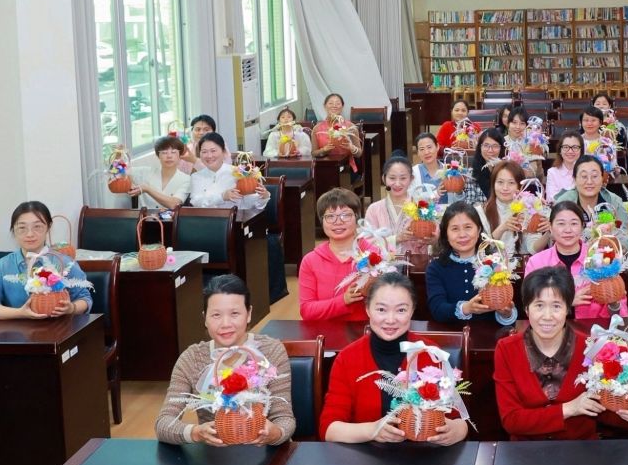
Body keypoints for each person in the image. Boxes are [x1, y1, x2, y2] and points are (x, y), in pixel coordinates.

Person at [494, 267, 628, 439]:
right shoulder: (507, 349)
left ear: (567, 309)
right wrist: (569, 409)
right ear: (527, 309)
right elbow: (511, 420)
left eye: (556, 306)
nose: (547, 316)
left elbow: (606, 408)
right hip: (526, 450)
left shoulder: (592, 347)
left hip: (580, 448)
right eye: (539, 305)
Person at [320, 274, 469, 445]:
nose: (390, 320)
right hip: (365, 457)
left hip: (423, 455)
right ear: (367, 309)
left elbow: (459, 420)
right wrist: (372, 430)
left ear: (412, 311)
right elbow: (328, 429)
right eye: (381, 310)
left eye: (401, 310)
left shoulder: (430, 352)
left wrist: (457, 430)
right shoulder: (348, 358)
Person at [154, 274, 296, 445]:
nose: (225, 324)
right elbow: (163, 424)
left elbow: (285, 418)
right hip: (214, 455)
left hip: (264, 451)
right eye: (216, 315)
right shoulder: (192, 358)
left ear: (249, 314)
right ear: (205, 318)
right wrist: (196, 433)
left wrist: (275, 433)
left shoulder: (271, 351)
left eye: (235, 313)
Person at [0, 202, 93, 320]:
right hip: (17, 330)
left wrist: (71, 308)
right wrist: (19, 313)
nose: (30, 234)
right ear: (13, 230)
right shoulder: (3, 265)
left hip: (59, 328)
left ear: (48, 227)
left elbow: (85, 299)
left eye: (37, 227)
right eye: (22, 228)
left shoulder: (65, 262)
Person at [424, 201, 518, 324]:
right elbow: (437, 309)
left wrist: (506, 313)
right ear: (446, 234)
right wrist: (466, 308)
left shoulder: (496, 263)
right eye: (455, 229)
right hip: (451, 334)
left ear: (479, 230)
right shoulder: (436, 268)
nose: (462, 235)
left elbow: (507, 304)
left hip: (490, 334)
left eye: (468, 227)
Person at [298, 188, 371, 321]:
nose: (338, 222)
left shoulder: (373, 255)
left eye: (346, 215)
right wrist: (343, 301)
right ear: (322, 221)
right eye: (330, 216)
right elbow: (306, 310)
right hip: (324, 331)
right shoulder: (310, 260)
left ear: (357, 218)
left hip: (366, 329)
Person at [185, 132, 269, 223]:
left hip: (233, 224)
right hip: (204, 223)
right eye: (204, 152)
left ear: (223, 152)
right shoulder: (196, 176)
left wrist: (263, 197)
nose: (209, 156)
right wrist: (221, 197)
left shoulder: (238, 173)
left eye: (213, 151)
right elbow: (196, 203)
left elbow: (249, 205)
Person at [478, 160, 547, 257]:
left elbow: (533, 249)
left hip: (521, 263)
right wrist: (503, 228)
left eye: (511, 183)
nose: (505, 188)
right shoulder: (481, 211)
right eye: (500, 182)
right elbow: (482, 249)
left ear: (520, 186)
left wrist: (549, 234)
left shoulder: (529, 207)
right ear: (493, 184)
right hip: (493, 264)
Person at [131, 133, 193, 209]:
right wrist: (120, 156)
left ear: (179, 156)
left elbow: (174, 204)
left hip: (171, 217)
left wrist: (147, 189)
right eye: (164, 153)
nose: (169, 156)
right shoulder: (144, 172)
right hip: (144, 216)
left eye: (173, 152)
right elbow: (123, 172)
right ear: (158, 155)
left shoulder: (186, 179)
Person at [467, 127, 509, 203]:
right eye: (486, 145)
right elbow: (470, 202)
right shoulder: (472, 173)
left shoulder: (509, 171)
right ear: (480, 147)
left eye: (495, 146)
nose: (490, 150)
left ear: (502, 148)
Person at [544, 132, 585, 196]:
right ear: (560, 151)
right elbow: (551, 198)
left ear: (581, 151)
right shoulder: (552, 172)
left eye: (575, 147)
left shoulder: (586, 172)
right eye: (566, 147)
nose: (570, 151)